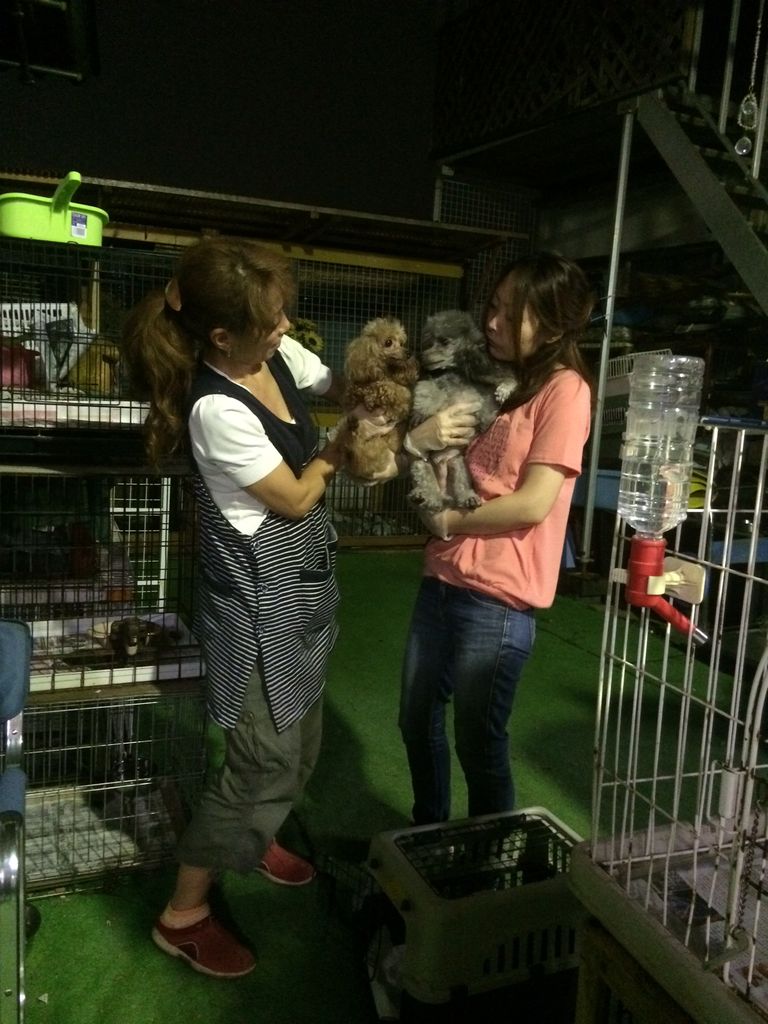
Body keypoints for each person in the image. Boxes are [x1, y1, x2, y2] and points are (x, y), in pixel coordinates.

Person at [121, 235, 475, 979]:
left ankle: (257, 839)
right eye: (271, 320)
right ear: (223, 335)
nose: (286, 327)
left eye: (283, 312)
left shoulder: (275, 354)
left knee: (303, 743)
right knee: (262, 762)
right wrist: (357, 445)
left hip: (302, 591)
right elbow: (294, 496)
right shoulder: (216, 408)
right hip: (256, 609)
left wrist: (381, 384)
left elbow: (339, 386)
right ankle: (182, 916)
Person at [397, 251, 595, 826]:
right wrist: (420, 442)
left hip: (499, 597)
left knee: (478, 739)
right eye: (493, 307)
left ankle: (487, 856)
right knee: (415, 720)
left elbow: (533, 502)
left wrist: (451, 522)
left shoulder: (565, 390)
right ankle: (428, 834)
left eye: (512, 315)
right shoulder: (491, 376)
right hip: (442, 576)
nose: (491, 323)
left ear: (553, 327)